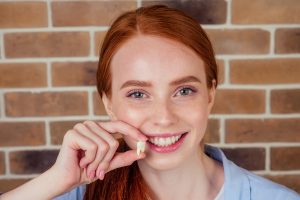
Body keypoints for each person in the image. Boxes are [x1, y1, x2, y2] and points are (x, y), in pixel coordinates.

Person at [0, 4, 299, 200]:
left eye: (183, 91)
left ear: (210, 94)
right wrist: (55, 181)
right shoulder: (79, 192)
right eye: (138, 94)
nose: (163, 117)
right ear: (108, 102)